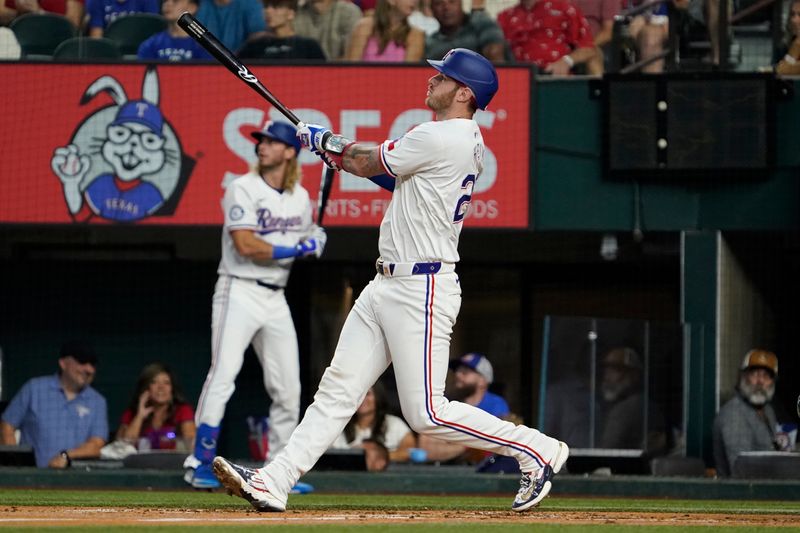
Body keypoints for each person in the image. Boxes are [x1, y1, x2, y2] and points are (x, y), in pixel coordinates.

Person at [211, 48, 569, 514]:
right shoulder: (455, 139)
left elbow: (366, 162)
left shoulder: (444, 135)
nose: (432, 80)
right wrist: (335, 152)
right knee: (337, 391)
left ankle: (536, 448)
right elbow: (394, 178)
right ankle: (275, 480)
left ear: (464, 93)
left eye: (442, 77)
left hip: (422, 287)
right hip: (386, 283)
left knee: (426, 412)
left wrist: (326, 141)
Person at [183, 120, 327, 489]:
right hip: (239, 289)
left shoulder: (299, 198)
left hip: (275, 296)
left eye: (271, 142)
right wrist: (298, 248)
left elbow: (306, 237)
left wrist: (315, 239)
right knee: (224, 374)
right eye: (260, 141)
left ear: (290, 151)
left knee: (289, 388)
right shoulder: (241, 187)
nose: (262, 146)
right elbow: (246, 245)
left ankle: (279, 471)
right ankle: (199, 461)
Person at [0, 341, 108, 468]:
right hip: (31, 480)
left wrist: (66, 456)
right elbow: (6, 425)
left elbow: (96, 444)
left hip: (78, 481)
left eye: (92, 365)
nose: (89, 369)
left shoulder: (97, 401)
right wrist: (15, 463)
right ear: (63, 363)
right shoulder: (34, 389)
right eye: (82, 362)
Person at [417, 352, 512, 463]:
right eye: (457, 371)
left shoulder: (496, 404)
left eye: (465, 372)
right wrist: (469, 444)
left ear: (483, 380)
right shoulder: (446, 403)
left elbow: (496, 446)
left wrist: (451, 442)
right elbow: (426, 448)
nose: (458, 375)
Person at [713, 349, 791, 477]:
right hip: (740, 494)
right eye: (755, 374)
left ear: (773, 382)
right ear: (743, 377)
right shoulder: (735, 414)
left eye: (766, 376)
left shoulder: (767, 410)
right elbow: (743, 470)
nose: (760, 381)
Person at [329, 382, 417, 470]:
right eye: (358, 395)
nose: (361, 399)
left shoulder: (394, 424)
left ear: (378, 397)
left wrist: (374, 457)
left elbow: (409, 452)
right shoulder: (339, 425)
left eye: (367, 394)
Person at [595, 347, 666, 452]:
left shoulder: (628, 409)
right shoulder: (645, 405)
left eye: (615, 371)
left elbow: (608, 452)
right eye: (606, 370)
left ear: (634, 375)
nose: (607, 377)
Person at [497, 0, 596, 75]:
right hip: (519, 80)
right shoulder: (505, 16)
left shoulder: (564, 8)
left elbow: (588, 48)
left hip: (555, 75)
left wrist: (567, 61)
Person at [116, 363, 196, 451]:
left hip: (174, 463)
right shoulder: (132, 413)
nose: (161, 387)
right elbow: (123, 448)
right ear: (146, 388)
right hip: (140, 464)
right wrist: (140, 416)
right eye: (154, 382)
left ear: (172, 389)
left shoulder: (183, 410)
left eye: (166, 383)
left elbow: (191, 446)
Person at [237, 0, 326, 60]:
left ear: (291, 13)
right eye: (266, 6)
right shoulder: (253, 47)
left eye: (276, 7)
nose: (268, 11)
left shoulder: (309, 47)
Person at [344, 0, 425, 62]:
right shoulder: (364, 27)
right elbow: (352, 68)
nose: (415, 1)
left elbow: (409, 75)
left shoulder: (415, 35)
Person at [425, 0, 506, 62]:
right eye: (438, 3)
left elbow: (495, 54)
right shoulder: (430, 44)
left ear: (461, 3)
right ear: (431, 9)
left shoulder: (481, 22)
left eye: (452, 1)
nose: (446, 8)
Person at [137, 0, 214, 62]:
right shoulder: (150, 45)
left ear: (192, 7)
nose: (168, 4)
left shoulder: (203, 46)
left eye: (175, 1)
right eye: (165, 1)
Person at [293, 0, 363, 60]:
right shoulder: (295, 12)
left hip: (338, 72)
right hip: (301, 72)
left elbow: (351, 58)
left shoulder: (349, 12)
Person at [195, 0, 268, 53]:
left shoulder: (250, 4)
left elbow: (259, 36)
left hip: (241, 63)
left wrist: (236, 57)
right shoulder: (201, 4)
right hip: (204, 63)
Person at [570, 0, 619, 74]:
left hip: (592, 43)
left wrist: (586, 46)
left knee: (592, 55)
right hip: (561, 41)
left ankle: (599, 85)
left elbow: (607, 33)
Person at [87, 0, 161, 38]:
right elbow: (96, 37)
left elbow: (152, 33)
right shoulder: (96, 1)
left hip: (141, 50)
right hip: (110, 54)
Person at [2, 0, 84, 29]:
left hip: (56, 44)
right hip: (20, 43)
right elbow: (2, 13)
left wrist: (39, 13)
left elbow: (72, 25)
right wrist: (19, 13)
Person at [775, 0, 800, 75]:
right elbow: (781, 69)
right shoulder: (784, 46)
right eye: (792, 15)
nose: (795, 20)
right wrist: (797, 44)